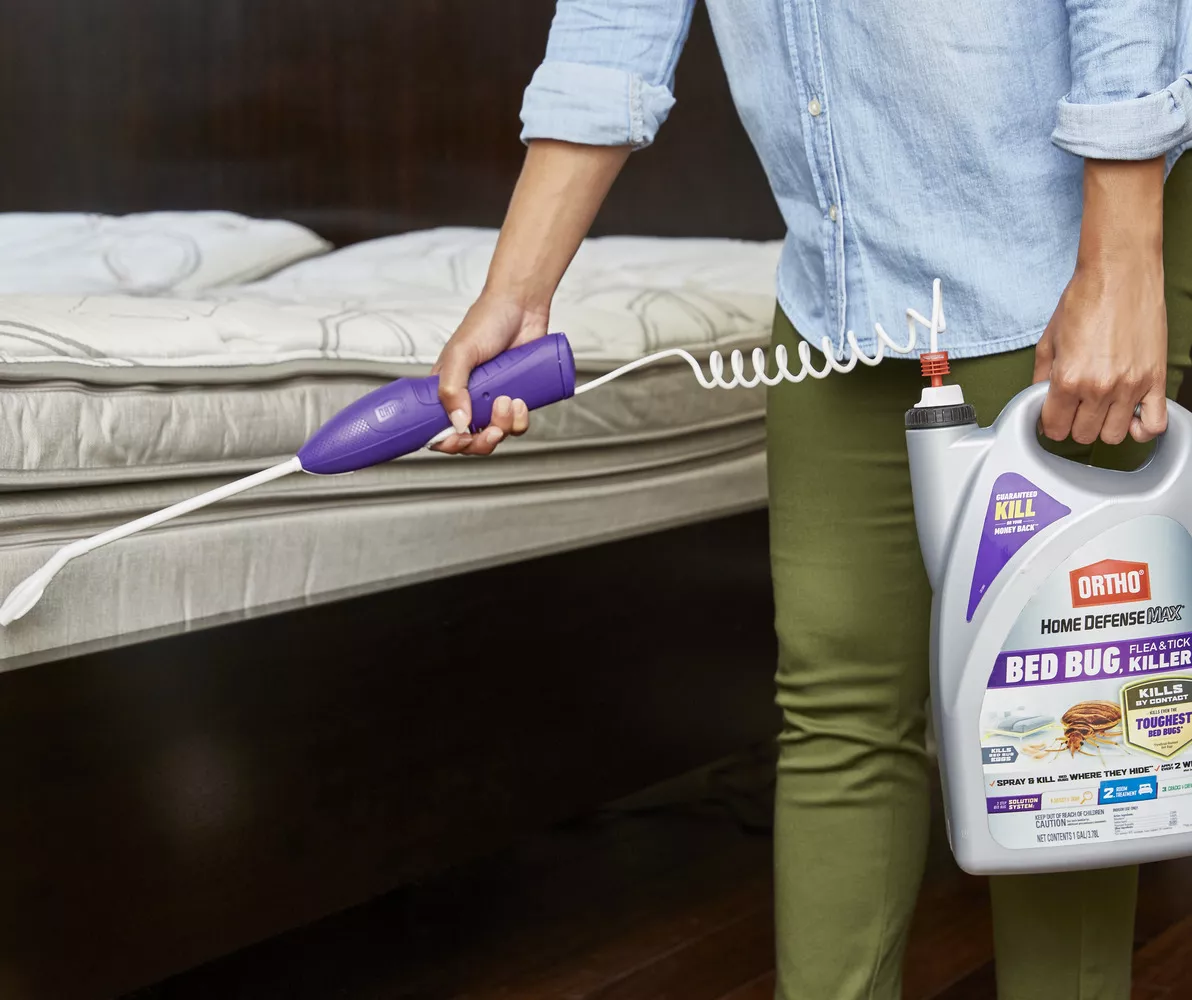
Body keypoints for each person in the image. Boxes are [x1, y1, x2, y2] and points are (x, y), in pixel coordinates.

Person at [429, 2, 1192, 997]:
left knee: (1051, 714)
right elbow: (616, 19)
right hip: (842, 280)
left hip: (1062, 240)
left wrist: (1122, 263)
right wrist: (516, 291)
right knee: (836, 703)